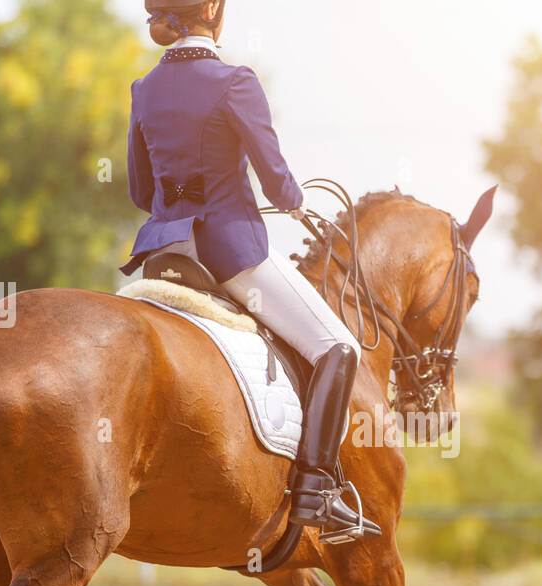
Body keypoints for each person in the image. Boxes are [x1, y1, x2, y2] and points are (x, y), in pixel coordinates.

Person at [122, 0, 379, 540]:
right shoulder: (236, 80)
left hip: (164, 254)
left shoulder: (144, 89)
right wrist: (293, 197)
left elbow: (142, 192)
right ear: (213, 11)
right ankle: (316, 492)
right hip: (229, 254)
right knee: (338, 348)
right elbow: (275, 177)